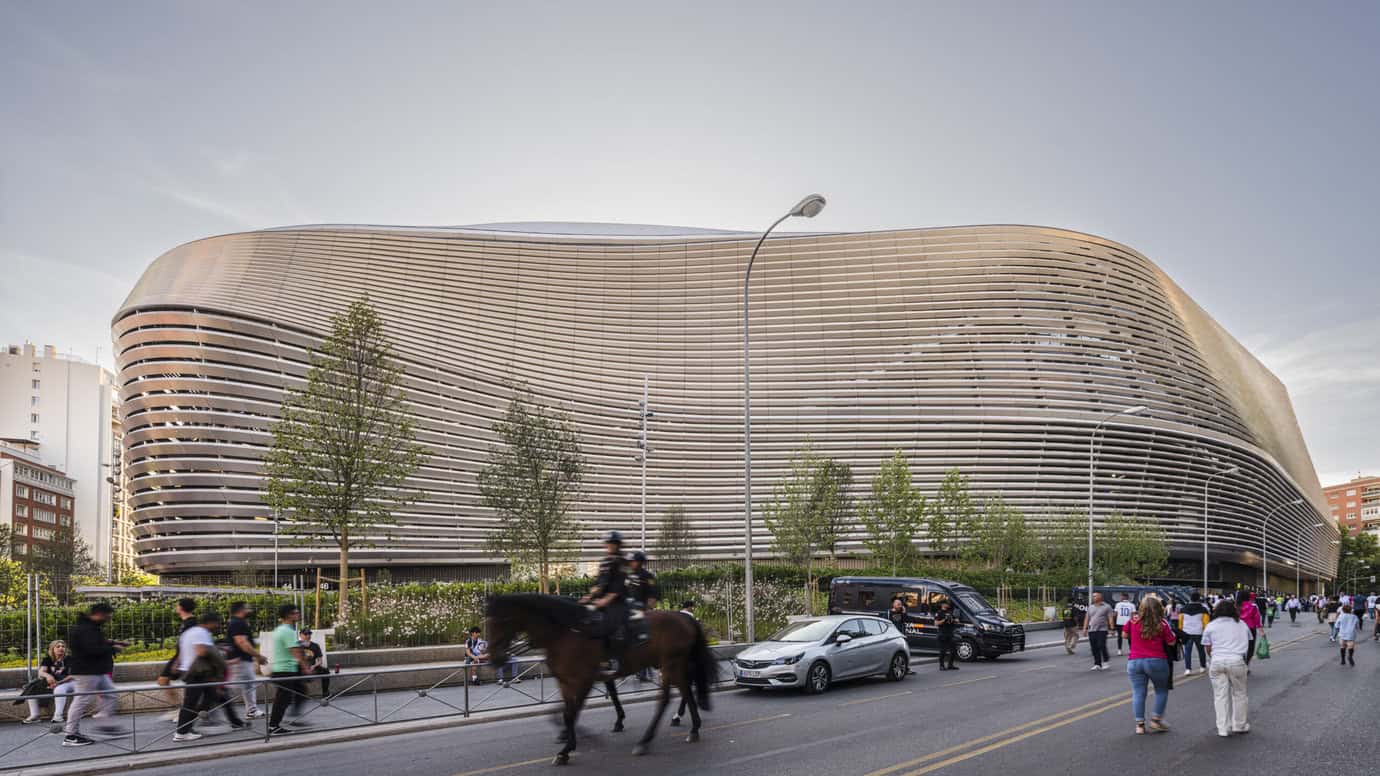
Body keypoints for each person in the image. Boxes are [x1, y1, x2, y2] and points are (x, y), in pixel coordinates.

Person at [63, 602, 128, 747]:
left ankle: (105, 725)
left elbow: (99, 643)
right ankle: (70, 735)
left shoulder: (91, 627)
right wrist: (113, 649)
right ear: (99, 614)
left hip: (97, 671)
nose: (109, 619)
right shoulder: (85, 629)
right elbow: (92, 649)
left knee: (110, 695)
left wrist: (114, 643)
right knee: (81, 701)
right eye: (108, 616)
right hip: (86, 671)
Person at [175, 611, 242, 741]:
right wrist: (216, 656)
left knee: (213, 696)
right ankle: (182, 732)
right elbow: (201, 651)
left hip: (195, 672)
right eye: (217, 623)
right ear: (210, 622)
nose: (218, 626)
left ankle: (189, 727)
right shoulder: (201, 632)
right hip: (197, 673)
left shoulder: (190, 632)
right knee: (191, 703)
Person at [1124, 595, 1176, 735]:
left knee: (1138, 692)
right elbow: (1171, 642)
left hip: (1135, 661)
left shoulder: (1133, 621)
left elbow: (1124, 635)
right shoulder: (1162, 623)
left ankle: (1140, 725)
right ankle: (1156, 720)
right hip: (1157, 661)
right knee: (1161, 690)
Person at [581, 530, 628, 674]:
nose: (609, 545)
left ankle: (610, 660)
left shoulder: (622, 561)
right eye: (608, 543)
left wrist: (606, 600)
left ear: (618, 545)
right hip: (601, 600)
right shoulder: (605, 561)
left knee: (608, 624)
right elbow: (599, 582)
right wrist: (589, 596)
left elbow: (619, 584)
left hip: (617, 602)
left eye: (612, 543)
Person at [1202, 598, 1251, 737]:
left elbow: (1208, 647)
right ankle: (1239, 725)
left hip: (1217, 661)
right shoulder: (1241, 624)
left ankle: (1222, 728)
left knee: (1220, 695)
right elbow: (1248, 642)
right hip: (1236, 660)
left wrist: (1214, 657)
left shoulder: (1211, 626)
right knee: (1239, 693)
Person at [267, 604, 312, 735]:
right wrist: (305, 668)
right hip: (285, 669)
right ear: (288, 615)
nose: (298, 614)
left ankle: (291, 717)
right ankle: (273, 726)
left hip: (283, 668)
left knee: (299, 691)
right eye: (295, 613)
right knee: (283, 699)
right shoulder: (288, 631)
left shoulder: (280, 629)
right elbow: (295, 651)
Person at [223, 601, 267, 720]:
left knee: (245, 685)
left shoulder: (236, 622)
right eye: (247, 608)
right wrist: (258, 656)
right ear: (240, 610)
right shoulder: (238, 623)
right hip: (240, 661)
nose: (249, 610)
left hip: (240, 660)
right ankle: (251, 710)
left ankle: (251, 710)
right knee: (237, 686)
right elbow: (242, 642)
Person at [157, 598, 198, 720]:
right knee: (164, 680)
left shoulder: (190, 623)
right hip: (181, 656)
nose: (176, 607)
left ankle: (183, 710)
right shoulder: (188, 622)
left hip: (183, 657)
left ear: (181, 608)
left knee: (165, 680)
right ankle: (180, 709)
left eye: (177, 605)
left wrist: (177, 662)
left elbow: (187, 644)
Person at [625, 550, 659, 681]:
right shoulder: (627, 575)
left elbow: (653, 595)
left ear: (640, 562)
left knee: (641, 639)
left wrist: (648, 609)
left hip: (641, 609)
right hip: (627, 608)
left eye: (633, 561)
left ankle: (643, 670)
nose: (631, 563)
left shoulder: (647, 576)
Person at [22, 640, 75, 724]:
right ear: (52, 649)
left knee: (59, 689)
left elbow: (73, 675)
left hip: (70, 682)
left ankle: (58, 716)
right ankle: (35, 715)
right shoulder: (48, 659)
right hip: (54, 682)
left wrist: (58, 682)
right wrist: (48, 676)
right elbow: (41, 672)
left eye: (63, 646)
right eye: (58, 646)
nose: (61, 648)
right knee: (32, 687)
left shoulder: (69, 659)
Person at [670, 600, 696, 727]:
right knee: (688, 686)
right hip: (688, 657)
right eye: (693, 607)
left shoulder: (675, 616)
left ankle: (679, 714)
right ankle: (680, 714)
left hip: (673, 657)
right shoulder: (691, 618)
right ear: (690, 607)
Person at [1177, 593, 1210, 675]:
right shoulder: (1203, 609)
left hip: (1186, 633)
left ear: (1190, 599)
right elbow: (1206, 622)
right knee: (1201, 650)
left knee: (1187, 651)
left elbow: (1180, 622)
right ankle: (1202, 667)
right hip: (1199, 632)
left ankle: (1188, 669)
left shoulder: (1183, 609)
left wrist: (1181, 632)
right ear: (1199, 599)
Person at [1082, 592, 1114, 671]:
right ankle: (1097, 663)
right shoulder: (1091, 607)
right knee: (1094, 647)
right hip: (1092, 629)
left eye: (1095, 596)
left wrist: (1112, 628)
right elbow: (1087, 618)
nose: (1093, 597)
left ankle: (1105, 661)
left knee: (1101, 645)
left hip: (1102, 629)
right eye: (1093, 596)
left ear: (1100, 597)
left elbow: (1110, 618)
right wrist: (1085, 628)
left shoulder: (1107, 606)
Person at [299, 629, 331, 698]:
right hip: (300, 668)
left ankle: (325, 693)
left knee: (325, 671)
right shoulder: (296, 645)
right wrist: (303, 667)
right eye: (305, 634)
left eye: (309, 634)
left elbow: (320, 661)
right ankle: (294, 695)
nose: (308, 636)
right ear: (300, 635)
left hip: (312, 667)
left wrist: (314, 666)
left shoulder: (315, 646)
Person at [1236, 592, 1262, 670]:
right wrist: (1261, 630)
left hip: (1238, 628)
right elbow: (1257, 618)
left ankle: (1242, 661)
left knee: (1239, 646)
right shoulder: (1253, 606)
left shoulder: (1235, 607)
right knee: (1250, 647)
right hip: (1250, 628)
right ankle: (1246, 664)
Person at [935, 600, 960, 670]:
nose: (948, 604)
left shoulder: (950, 612)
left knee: (954, 650)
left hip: (950, 633)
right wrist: (944, 620)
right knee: (943, 651)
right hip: (942, 634)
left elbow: (956, 620)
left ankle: (950, 665)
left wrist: (955, 620)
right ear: (942, 605)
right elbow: (936, 623)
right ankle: (941, 666)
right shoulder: (939, 613)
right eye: (946, 603)